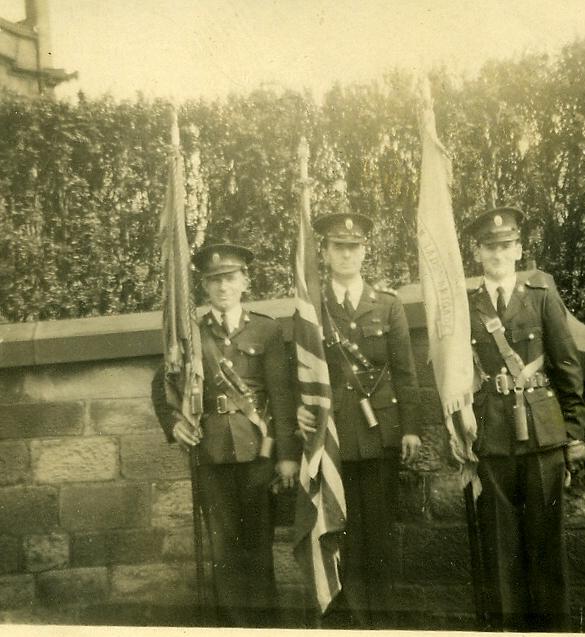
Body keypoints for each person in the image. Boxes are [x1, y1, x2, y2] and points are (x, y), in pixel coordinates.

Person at [152, 242, 299, 627]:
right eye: (214, 280)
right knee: (224, 550)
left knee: (259, 549)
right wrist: (174, 424)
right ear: (203, 286)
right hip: (211, 453)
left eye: (230, 278)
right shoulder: (190, 334)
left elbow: (282, 396)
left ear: (244, 282)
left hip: (258, 454)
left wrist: (286, 456)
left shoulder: (267, 330)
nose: (222, 287)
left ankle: (268, 629)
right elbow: (162, 385)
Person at [464, 205, 585, 632]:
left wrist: (575, 433)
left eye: (506, 245)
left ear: (518, 250)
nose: (498, 254)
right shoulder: (468, 306)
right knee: (501, 548)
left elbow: (567, 363)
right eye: (489, 247)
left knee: (546, 546)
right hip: (493, 435)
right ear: (477, 253)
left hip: (542, 433)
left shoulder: (540, 294)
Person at [298, 211, 420, 628]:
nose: (346, 254)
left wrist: (411, 428)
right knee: (339, 530)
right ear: (326, 252)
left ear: (364, 251)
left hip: (379, 431)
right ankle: (347, 621)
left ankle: (382, 621)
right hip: (333, 438)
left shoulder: (386, 304)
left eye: (354, 247)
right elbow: (300, 368)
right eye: (338, 247)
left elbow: (405, 371)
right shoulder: (313, 307)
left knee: (379, 532)